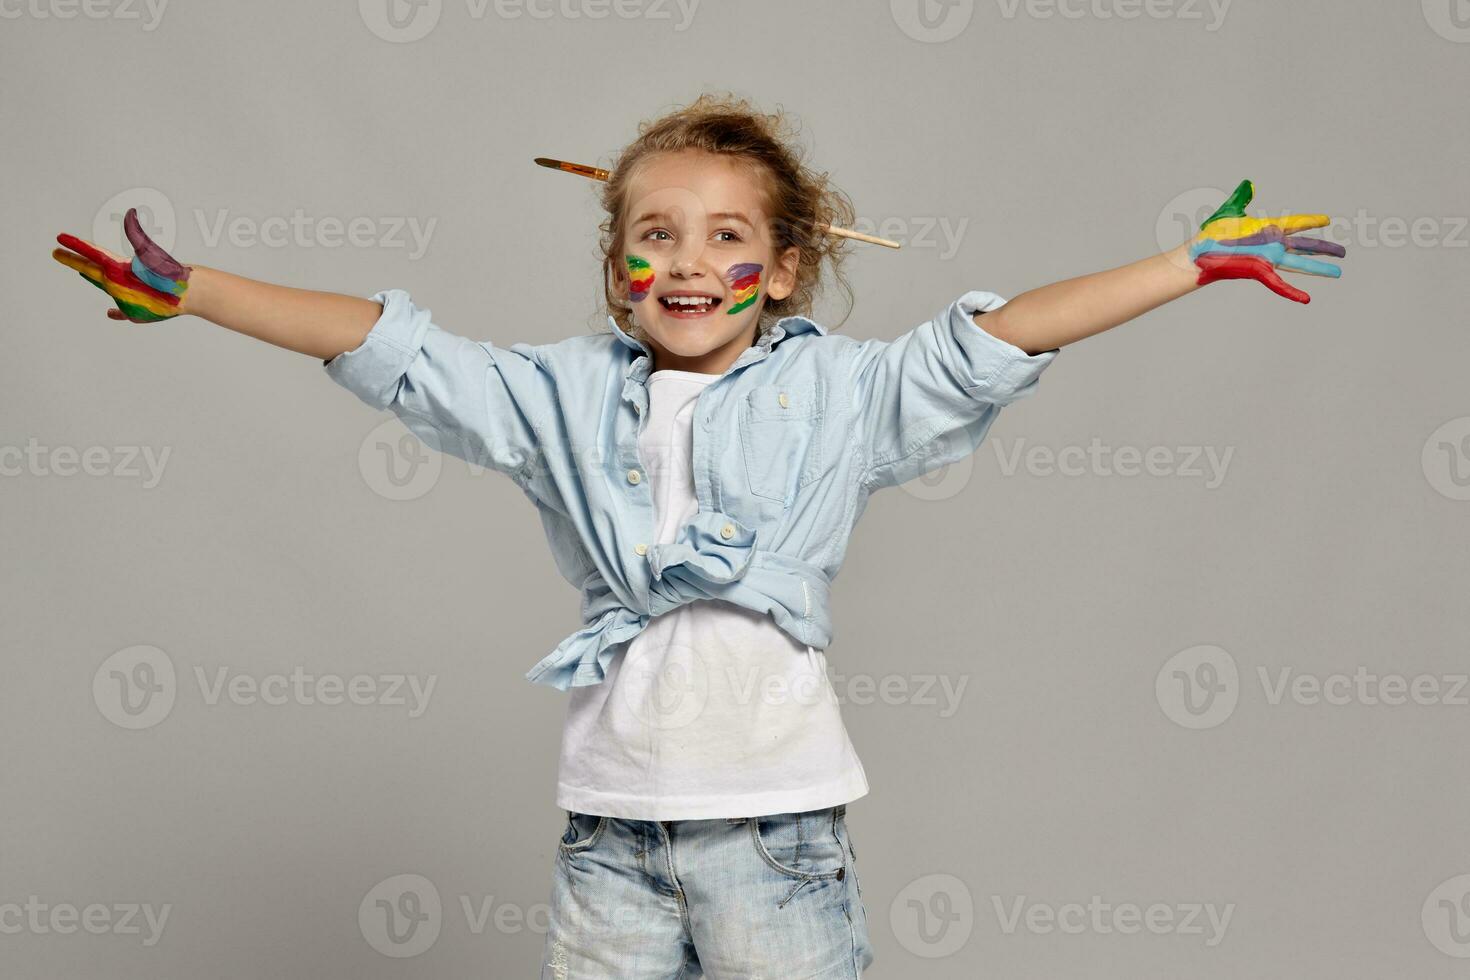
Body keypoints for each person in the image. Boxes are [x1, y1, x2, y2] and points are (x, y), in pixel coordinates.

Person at [50, 92, 1344, 979]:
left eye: (726, 235)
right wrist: (199, 290)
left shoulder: (838, 392)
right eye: (651, 234)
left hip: (772, 835)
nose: (684, 261)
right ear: (616, 265)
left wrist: (1188, 265)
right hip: (607, 833)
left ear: (783, 267)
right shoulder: (553, 395)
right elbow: (395, 350)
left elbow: (999, 340)